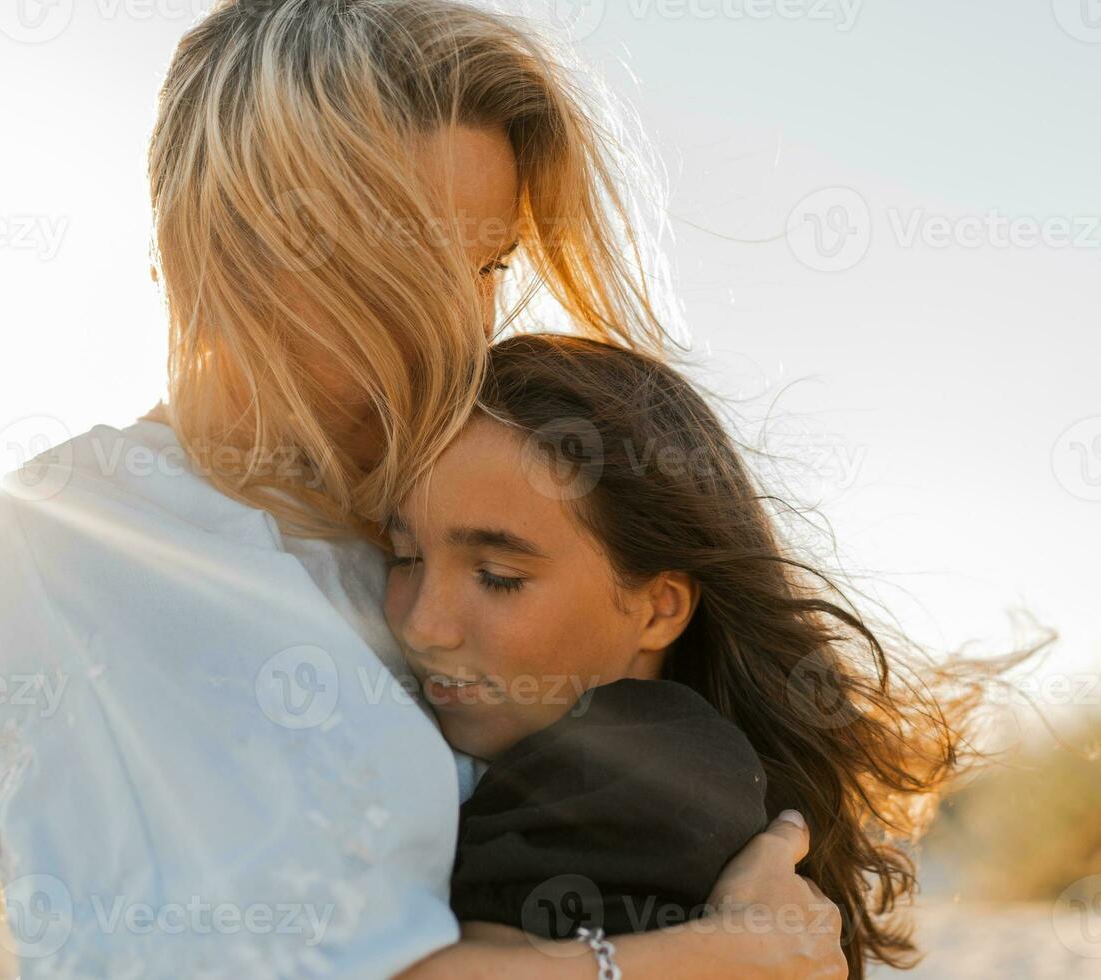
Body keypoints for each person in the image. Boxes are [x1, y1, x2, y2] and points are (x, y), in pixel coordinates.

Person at [0, 1, 847, 976]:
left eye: (487, 266)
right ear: (231, 240)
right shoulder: (91, 532)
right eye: (404, 265)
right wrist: (716, 955)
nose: (458, 330)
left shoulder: (419, 524)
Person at [388, 334, 1006, 977]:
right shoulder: (682, 759)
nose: (422, 625)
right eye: (404, 559)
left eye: (497, 574)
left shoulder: (633, 768)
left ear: (659, 608)